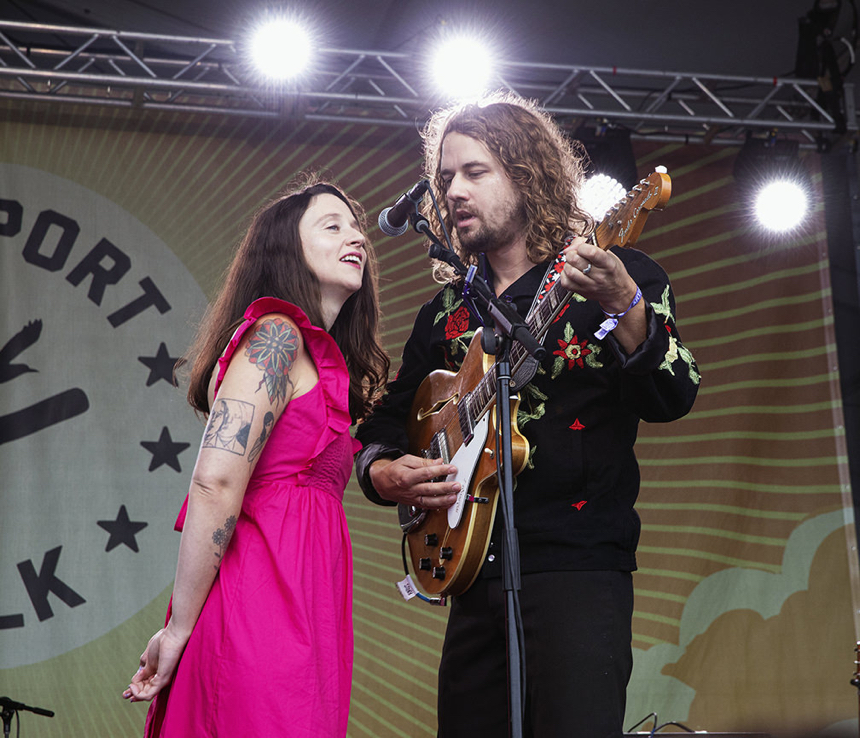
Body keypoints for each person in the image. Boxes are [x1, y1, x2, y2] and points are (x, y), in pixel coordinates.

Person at [354, 93, 701, 738]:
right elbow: (380, 424)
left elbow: (675, 394)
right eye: (446, 177)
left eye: (475, 172)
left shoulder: (616, 278)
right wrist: (381, 473)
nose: (454, 190)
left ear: (527, 173)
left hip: (577, 567)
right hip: (470, 569)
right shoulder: (445, 315)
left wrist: (624, 307)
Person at [122, 177, 389, 738]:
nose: (357, 238)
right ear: (288, 250)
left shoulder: (312, 352)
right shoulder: (277, 337)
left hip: (304, 612)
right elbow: (214, 483)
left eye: (357, 226)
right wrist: (177, 630)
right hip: (259, 614)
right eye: (333, 225)